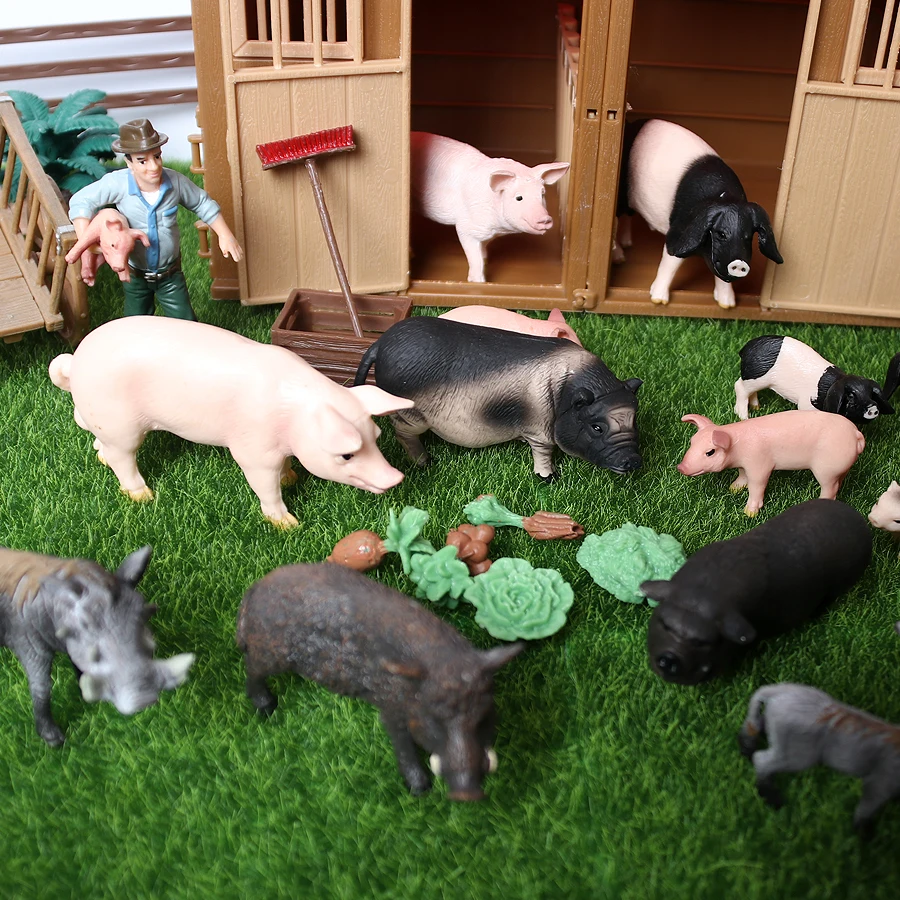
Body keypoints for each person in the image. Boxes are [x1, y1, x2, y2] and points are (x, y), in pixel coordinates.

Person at [68, 118, 243, 320]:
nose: (153, 166)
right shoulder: (118, 184)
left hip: (170, 274)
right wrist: (86, 239)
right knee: (135, 322)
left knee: (186, 322)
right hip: (135, 275)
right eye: (142, 161)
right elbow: (81, 200)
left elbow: (202, 202)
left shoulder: (175, 182)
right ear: (129, 163)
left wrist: (224, 234)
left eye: (157, 157)